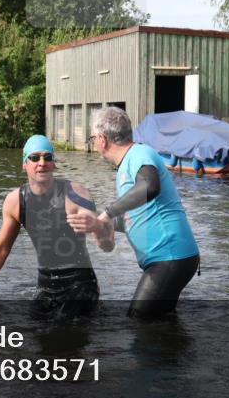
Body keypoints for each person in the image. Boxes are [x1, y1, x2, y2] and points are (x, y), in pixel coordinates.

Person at [68, 107, 200, 319]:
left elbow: (150, 186)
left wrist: (108, 213)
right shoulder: (127, 164)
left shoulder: (139, 153)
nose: (92, 143)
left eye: (91, 138)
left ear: (102, 139)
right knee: (161, 323)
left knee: (139, 321)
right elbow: (135, 216)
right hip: (169, 258)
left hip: (170, 257)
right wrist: (99, 222)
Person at [0, 135, 113, 319]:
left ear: (54, 164)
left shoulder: (75, 194)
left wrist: (97, 227)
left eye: (47, 157)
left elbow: (107, 246)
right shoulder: (15, 201)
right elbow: (1, 249)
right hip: (46, 285)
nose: (42, 163)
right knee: (37, 335)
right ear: (24, 164)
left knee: (64, 334)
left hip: (80, 285)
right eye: (35, 158)